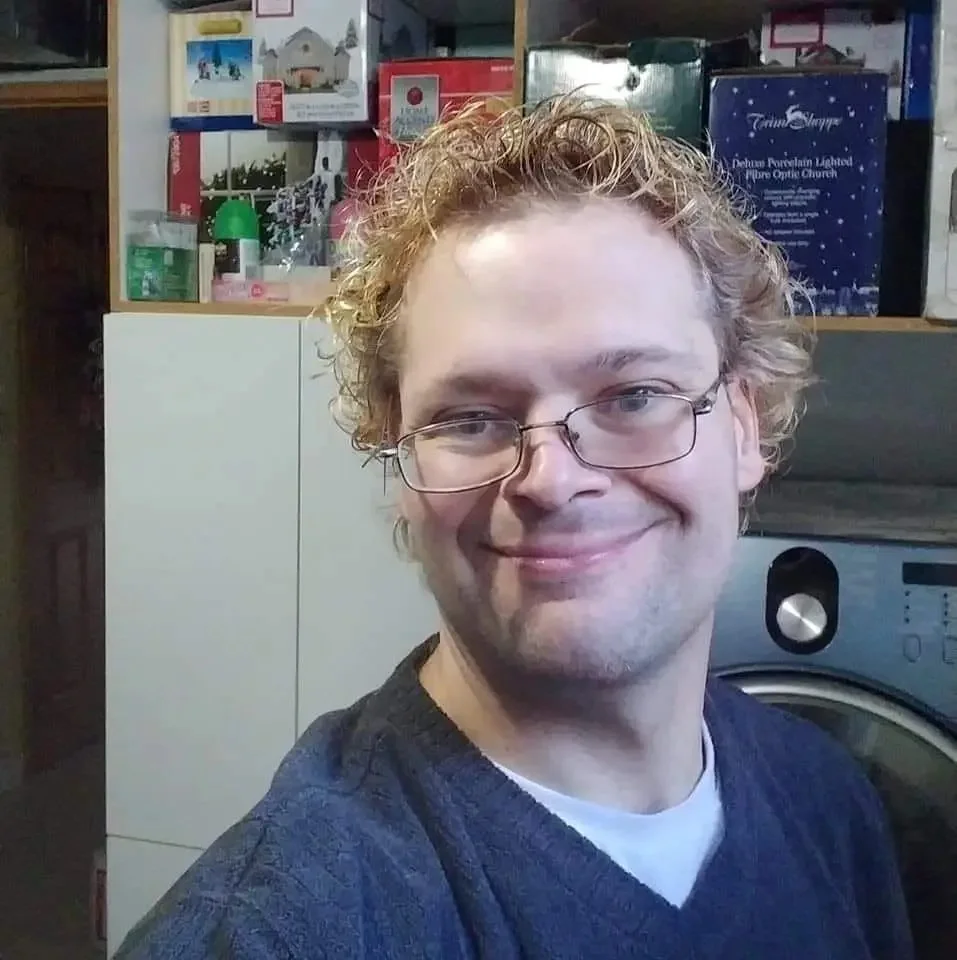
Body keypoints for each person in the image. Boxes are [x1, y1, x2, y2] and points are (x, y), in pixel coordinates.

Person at [114, 97, 912, 959]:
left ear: (744, 427)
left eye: (634, 397)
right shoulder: (279, 929)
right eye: (469, 418)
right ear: (397, 460)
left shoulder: (826, 802)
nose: (551, 481)